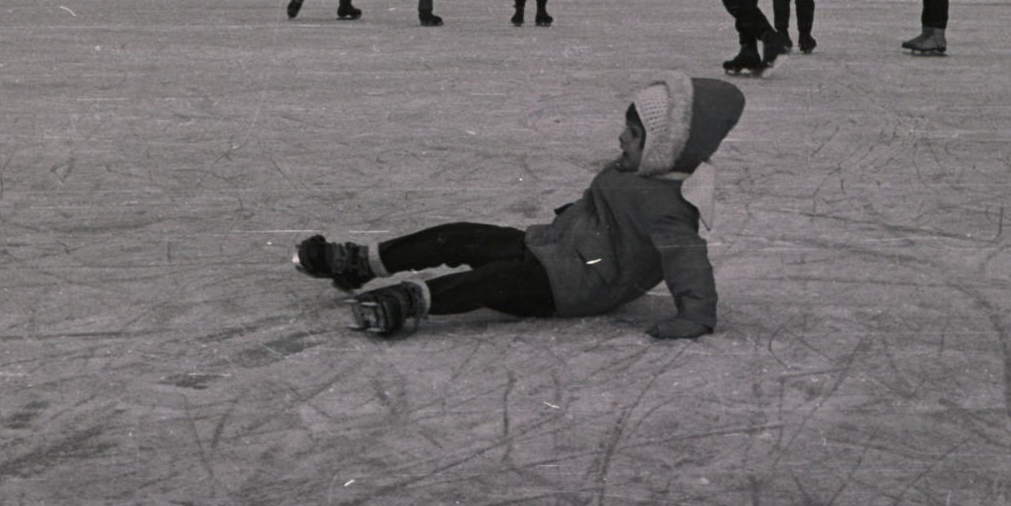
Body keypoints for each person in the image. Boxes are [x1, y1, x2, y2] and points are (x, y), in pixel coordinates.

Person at [293, 73, 745, 340]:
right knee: (462, 233)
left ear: (665, 148)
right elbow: (610, 210)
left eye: (634, 134)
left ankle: (407, 304)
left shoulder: (670, 206)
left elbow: (687, 258)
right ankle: (362, 263)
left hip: (571, 288)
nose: (621, 139)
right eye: (626, 129)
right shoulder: (637, 172)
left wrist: (696, 315)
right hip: (550, 251)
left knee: (491, 281)